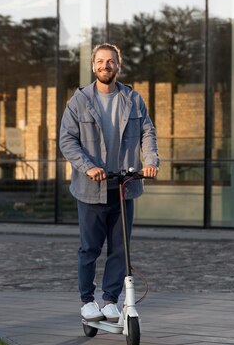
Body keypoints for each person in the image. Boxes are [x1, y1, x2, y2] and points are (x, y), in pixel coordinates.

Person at [59, 43, 159, 323]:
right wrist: (88, 166)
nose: (106, 66)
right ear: (94, 66)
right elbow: (67, 140)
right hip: (91, 188)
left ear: (119, 65)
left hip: (124, 186)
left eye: (111, 61)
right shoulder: (79, 101)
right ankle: (87, 300)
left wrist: (150, 162)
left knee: (120, 247)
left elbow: (148, 133)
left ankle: (110, 299)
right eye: (100, 61)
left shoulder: (133, 99)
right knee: (90, 248)